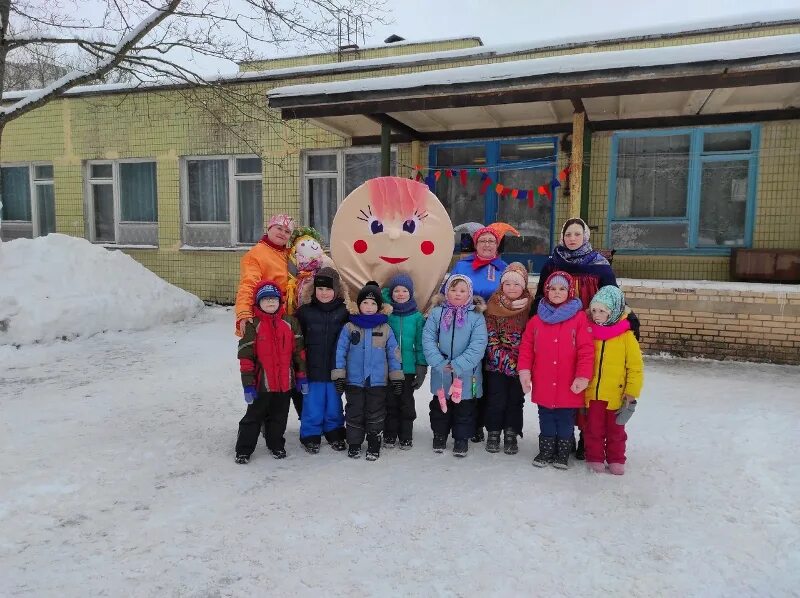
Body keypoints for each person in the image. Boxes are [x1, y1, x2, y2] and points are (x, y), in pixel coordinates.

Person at [532, 217, 638, 459]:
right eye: (568, 234)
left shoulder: (600, 265)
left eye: (577, 234)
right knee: (565, 383)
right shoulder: (553, 263)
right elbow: (541, 296)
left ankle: (584, 438)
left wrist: (628, 319)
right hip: (558, 329)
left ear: (585, 237)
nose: (572, 239)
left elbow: (613, 296)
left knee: (587, 385)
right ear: (562, 236)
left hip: (591, 328)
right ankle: (564, 439)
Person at [518, 271, 594, 470]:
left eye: (562, 289)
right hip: (544, 380)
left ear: (569, 292)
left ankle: (562, 452)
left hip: (568, 381)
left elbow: (586, 350)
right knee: (546, 416)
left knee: (565, 418)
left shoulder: (579, 319)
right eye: (553, 288)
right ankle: (546, 450)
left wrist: (583, 375)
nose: (557, 292)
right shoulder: (536, 320)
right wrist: (524, 371)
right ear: (546, 291)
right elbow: (526, 348)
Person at [234, 280, 306, 464]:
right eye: (265, 300)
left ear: (280, 301)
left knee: (279, 417)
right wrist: (248, 386)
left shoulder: (290, 323)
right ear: (258, 303)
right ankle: (244, 449)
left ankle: (276, 445)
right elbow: (246, 358)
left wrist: (301, 377)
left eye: (274, 299)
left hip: (285, 383)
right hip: (261, 384)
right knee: (253, 417)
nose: (270, 303)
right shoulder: (253, 326)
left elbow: (299, 353)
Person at [449, 224, 509, 443]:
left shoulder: (503, 268)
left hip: (494, 329)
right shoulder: (462, 266)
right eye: (482, 241)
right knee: (467, 373)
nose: (486, 244)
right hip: (465, 327)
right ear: (476, 244)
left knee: (488, 377)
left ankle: (482, 422)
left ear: (497, 245)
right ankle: (467, 422)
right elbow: (448, 292)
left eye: (491, 241)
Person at [332, 282, 404, 461]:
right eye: (365, 303)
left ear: (379, 307)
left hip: (377, 381)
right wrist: (339, 374)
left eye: (373, 304)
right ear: (359, 305)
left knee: (376, 412)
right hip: (354, 381)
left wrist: (396, 377)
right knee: (354, 411)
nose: (369, 307)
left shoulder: (385, 329)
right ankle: (354, 443)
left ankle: (373, 443)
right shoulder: (350, 327)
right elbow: (340, 351)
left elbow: (394, 353)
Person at [422, 274, 488, 458]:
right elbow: (427, 339)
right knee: (440, 406)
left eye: (462, 290)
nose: (457, 294)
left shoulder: (476, 316)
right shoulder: (437, 313)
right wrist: (439, 362)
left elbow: (479, 344)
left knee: (464, 409)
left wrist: (459, 364)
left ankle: (461, 438)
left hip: (466, 374)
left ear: (469, 293)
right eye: (453, 289)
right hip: (441, 372)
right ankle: (440, 435)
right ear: (446, 291)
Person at [584, 286, 644, 475]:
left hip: (616, 395)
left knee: (616, 430)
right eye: (594, 310)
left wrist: (631, 391)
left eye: (602, 311)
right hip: (593, 392)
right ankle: (595, 457)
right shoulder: (588, 332)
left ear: (614, 311)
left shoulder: (626, 337)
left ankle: (616, 458)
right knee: (593, 429)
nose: (597, 315)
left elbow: (635, 367)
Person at [294, 266, 348, 454]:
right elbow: (296, 340)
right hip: (312, 369)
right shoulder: (304, 312)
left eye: (328, 289)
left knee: (334, 404)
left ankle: (335, 432)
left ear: (337, 290)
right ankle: (310, 434)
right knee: (312, 404)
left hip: (335, 369)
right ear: (314, 290)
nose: (324, 293)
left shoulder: (344, 312)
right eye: (320, 289)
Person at [483, 262, 532, 455]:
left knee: (515, 400)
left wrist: (521, 364)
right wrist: (504, 361)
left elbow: (530, 337)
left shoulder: (530, 307)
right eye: (508, 284)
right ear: (501, 285)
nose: (512, 288)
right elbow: (490, 337)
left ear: (524, 286)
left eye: (517, 284)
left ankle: (512, 432)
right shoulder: (493, 305)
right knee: (496, 399)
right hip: (496, 365)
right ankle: (493, 432)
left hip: (521, 367)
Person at [381, 273, 427, 450]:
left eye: (404, 290)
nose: (400, 294)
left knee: (406, 403)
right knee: (390, 402)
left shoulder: (416, 317)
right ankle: (390, 435)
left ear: (411, 293)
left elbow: (421, 344)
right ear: (391, 293)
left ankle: (406, 435)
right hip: (388, 368)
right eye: (396, 291)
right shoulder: (387, 315)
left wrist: (421, 366)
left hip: (408, 369)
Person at [234, 213, 295, 337]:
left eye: (287, 231)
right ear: (269, 228)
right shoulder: (256, 254)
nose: (283, 233)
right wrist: (244, 313)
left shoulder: (289, 254)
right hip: (266, 314)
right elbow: (248, 285)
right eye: (279, 228)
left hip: (287, 315)